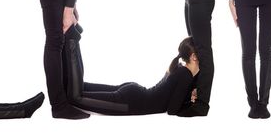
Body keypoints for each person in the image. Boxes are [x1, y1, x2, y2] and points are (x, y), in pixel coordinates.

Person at [66, 31, 198, 116]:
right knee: (75, 97)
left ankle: (72, 40)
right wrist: (192, 105)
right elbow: (172, 110)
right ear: (193, 57)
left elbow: (170, 98)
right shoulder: (185, 75)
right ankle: (71, 39)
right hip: (131, 102)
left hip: (134, 93)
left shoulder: (179, 67)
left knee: (81, 88)